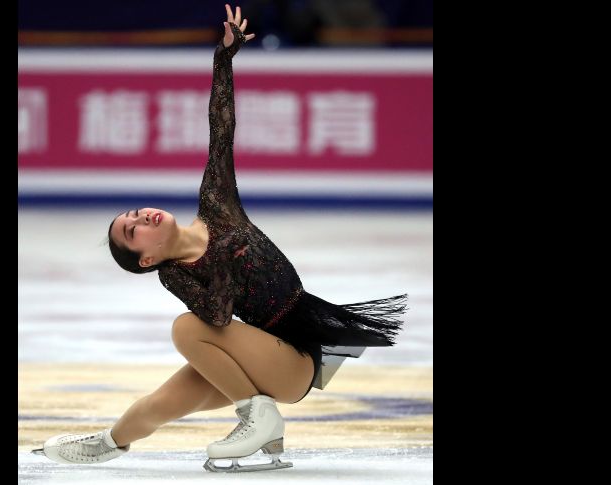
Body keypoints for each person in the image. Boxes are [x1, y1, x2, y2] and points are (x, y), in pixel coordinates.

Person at [34, 3, 406, 473]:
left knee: (184, 329)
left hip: (295, 356)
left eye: (135, 213)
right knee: (164, 399)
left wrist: (223, 59)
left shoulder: (217, 205)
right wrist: (224, 256)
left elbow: (220, 129)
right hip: (263, 353)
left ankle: (257, 417)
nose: (142, 216)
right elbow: (217, 315)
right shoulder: (174, 274)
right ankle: (109, 442)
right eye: (133, 230)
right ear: (146, 259)